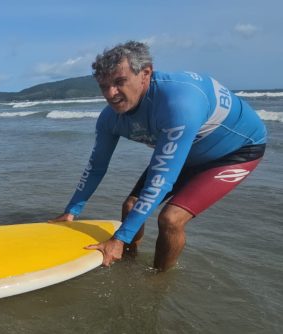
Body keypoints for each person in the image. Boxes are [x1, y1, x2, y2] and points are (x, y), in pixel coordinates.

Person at [52, 41, 266, 271]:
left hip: (235, 151)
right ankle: (125, 261)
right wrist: (71, 211)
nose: (111, 94)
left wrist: (119, 237)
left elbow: (162, 180)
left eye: (119, 82)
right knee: (131, 206)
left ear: (145, 73)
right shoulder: (109, 119)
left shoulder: (179, 103)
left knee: (171, 219)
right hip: (188, 150)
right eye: (104, 86)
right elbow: (96, 167)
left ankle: (159, 280)